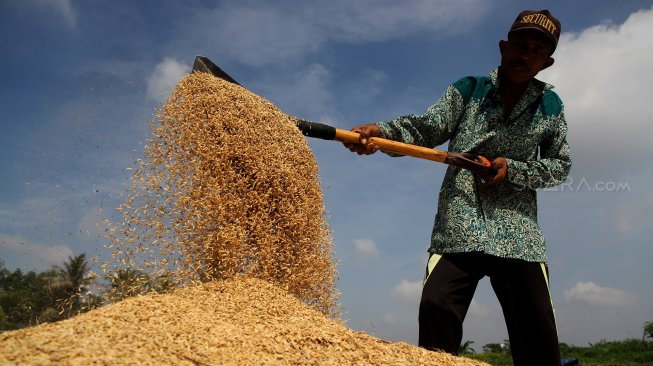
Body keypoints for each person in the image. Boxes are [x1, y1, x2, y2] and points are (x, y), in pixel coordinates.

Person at [345, 10, 571, 366]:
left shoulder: (550, 106)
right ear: (503, 46)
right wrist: (382, 135)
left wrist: (513, 170)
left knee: (537, 331)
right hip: (460, 224)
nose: (525, 54)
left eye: (537, 50)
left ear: (547, 62)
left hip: (519, 235)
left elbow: (560, 166)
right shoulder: (469, 90)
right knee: (436, 308)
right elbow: (425, 128)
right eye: (519, 44)